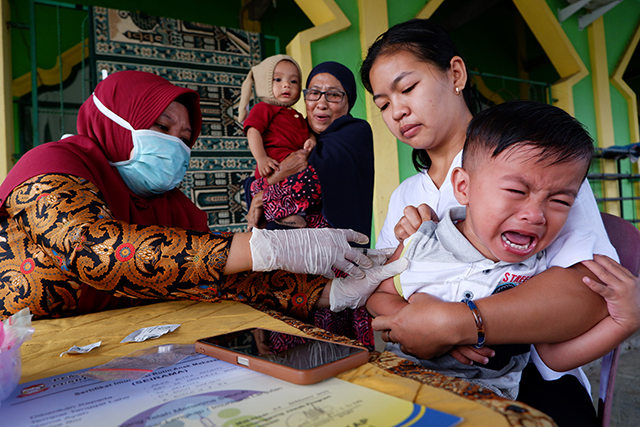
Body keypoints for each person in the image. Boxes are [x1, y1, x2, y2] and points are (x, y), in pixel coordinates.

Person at [359, 19, 622, 426]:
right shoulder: (406, 197)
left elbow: (590, 291)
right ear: (463, 187)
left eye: (408, 88)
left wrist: (463, 325)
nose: (398, 111)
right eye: (382, 104)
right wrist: (424, 330)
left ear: (456, 74)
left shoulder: (535, 161)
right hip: (428, 370)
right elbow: (382, 287)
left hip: (528, 379)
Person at [0, 70, 405, 321]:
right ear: (115, 119)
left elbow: (210, 280)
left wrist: (326, 293)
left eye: (185, 137)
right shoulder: (53, 164)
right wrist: (264, 246)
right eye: (161, 127)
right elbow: (94, 248)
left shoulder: (169, 209)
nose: (176, 146)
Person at [367, 100, 639, 399]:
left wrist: (623, 323)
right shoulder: (423, 240)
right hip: (399, 386)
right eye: (516, 192)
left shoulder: (540, 274)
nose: (536, 215)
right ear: (463, 186)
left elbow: (553, 357)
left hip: (486, 405)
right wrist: (415, 322)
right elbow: (379, 295)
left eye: (560, 201)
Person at [247, 61, 376, 347]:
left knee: (335, 355)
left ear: (348, 101)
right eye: (314, 93)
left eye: (333, 94)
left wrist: (265, 187)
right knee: (289, 360)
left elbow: (304, 186)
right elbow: (256, 198)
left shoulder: (353, 133)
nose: (321, 102)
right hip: (292, 274)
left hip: (335, 270)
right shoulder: (302, 138)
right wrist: (267, 185)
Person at [238, 54, 314, 228]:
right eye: (278, 79)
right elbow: (253, 131)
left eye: (293, 81)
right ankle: (279, 214)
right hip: (274, 166)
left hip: (294, 168)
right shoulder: (264, 108)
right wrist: (261, 159)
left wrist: (311, 140)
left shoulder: (297, 116)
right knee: (277, 190)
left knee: (302, 186)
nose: (286, 85)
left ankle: (289, 213)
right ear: (265, 83)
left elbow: (308, 132)